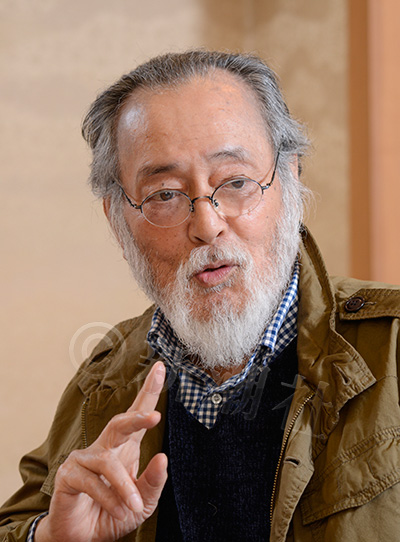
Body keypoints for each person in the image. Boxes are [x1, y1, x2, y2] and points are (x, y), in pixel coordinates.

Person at [1, 50, 399, 542]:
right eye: (165, 195)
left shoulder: (392, 345)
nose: (207, 225)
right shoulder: (103, 380)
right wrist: (51, 537)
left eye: (236, 182)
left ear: (291, 177)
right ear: (117, 218)